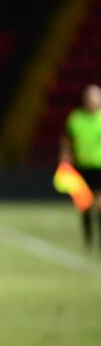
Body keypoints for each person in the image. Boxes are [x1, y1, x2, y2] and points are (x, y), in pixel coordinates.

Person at [60, 83, 101, 249]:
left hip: (99, 166)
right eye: (92, 96)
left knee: (99, 204)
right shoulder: (76, 118)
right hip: (81, 166)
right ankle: (88, 239)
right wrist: (65, 156)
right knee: (84, 204)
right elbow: (66, 139)